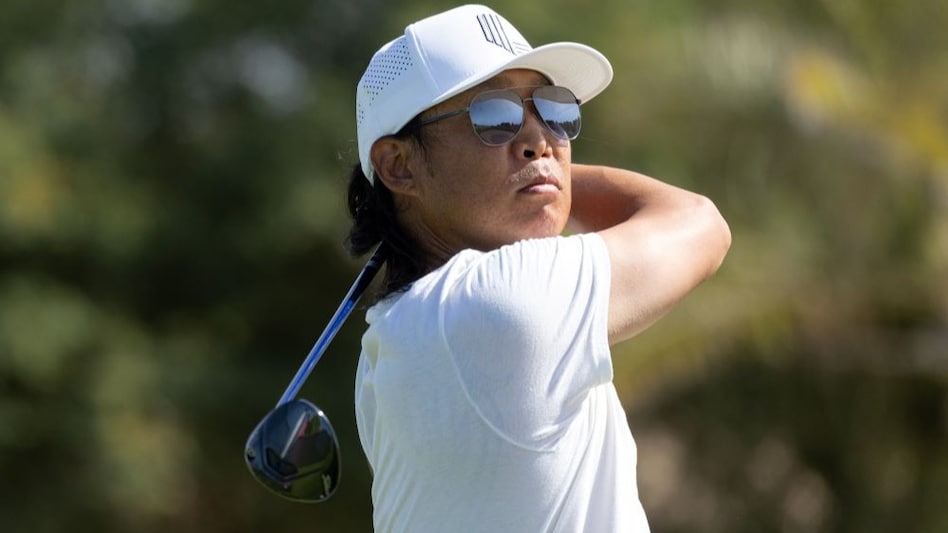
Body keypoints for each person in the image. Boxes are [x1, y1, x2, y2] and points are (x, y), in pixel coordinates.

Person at [345, 4, 731, 531]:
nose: (540, 140)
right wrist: (549, 176)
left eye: (554, 111)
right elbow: (700, 223)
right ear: (399, 165)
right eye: (493, 117)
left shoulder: (391, 346)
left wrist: (542, 174)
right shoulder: (496, 303)